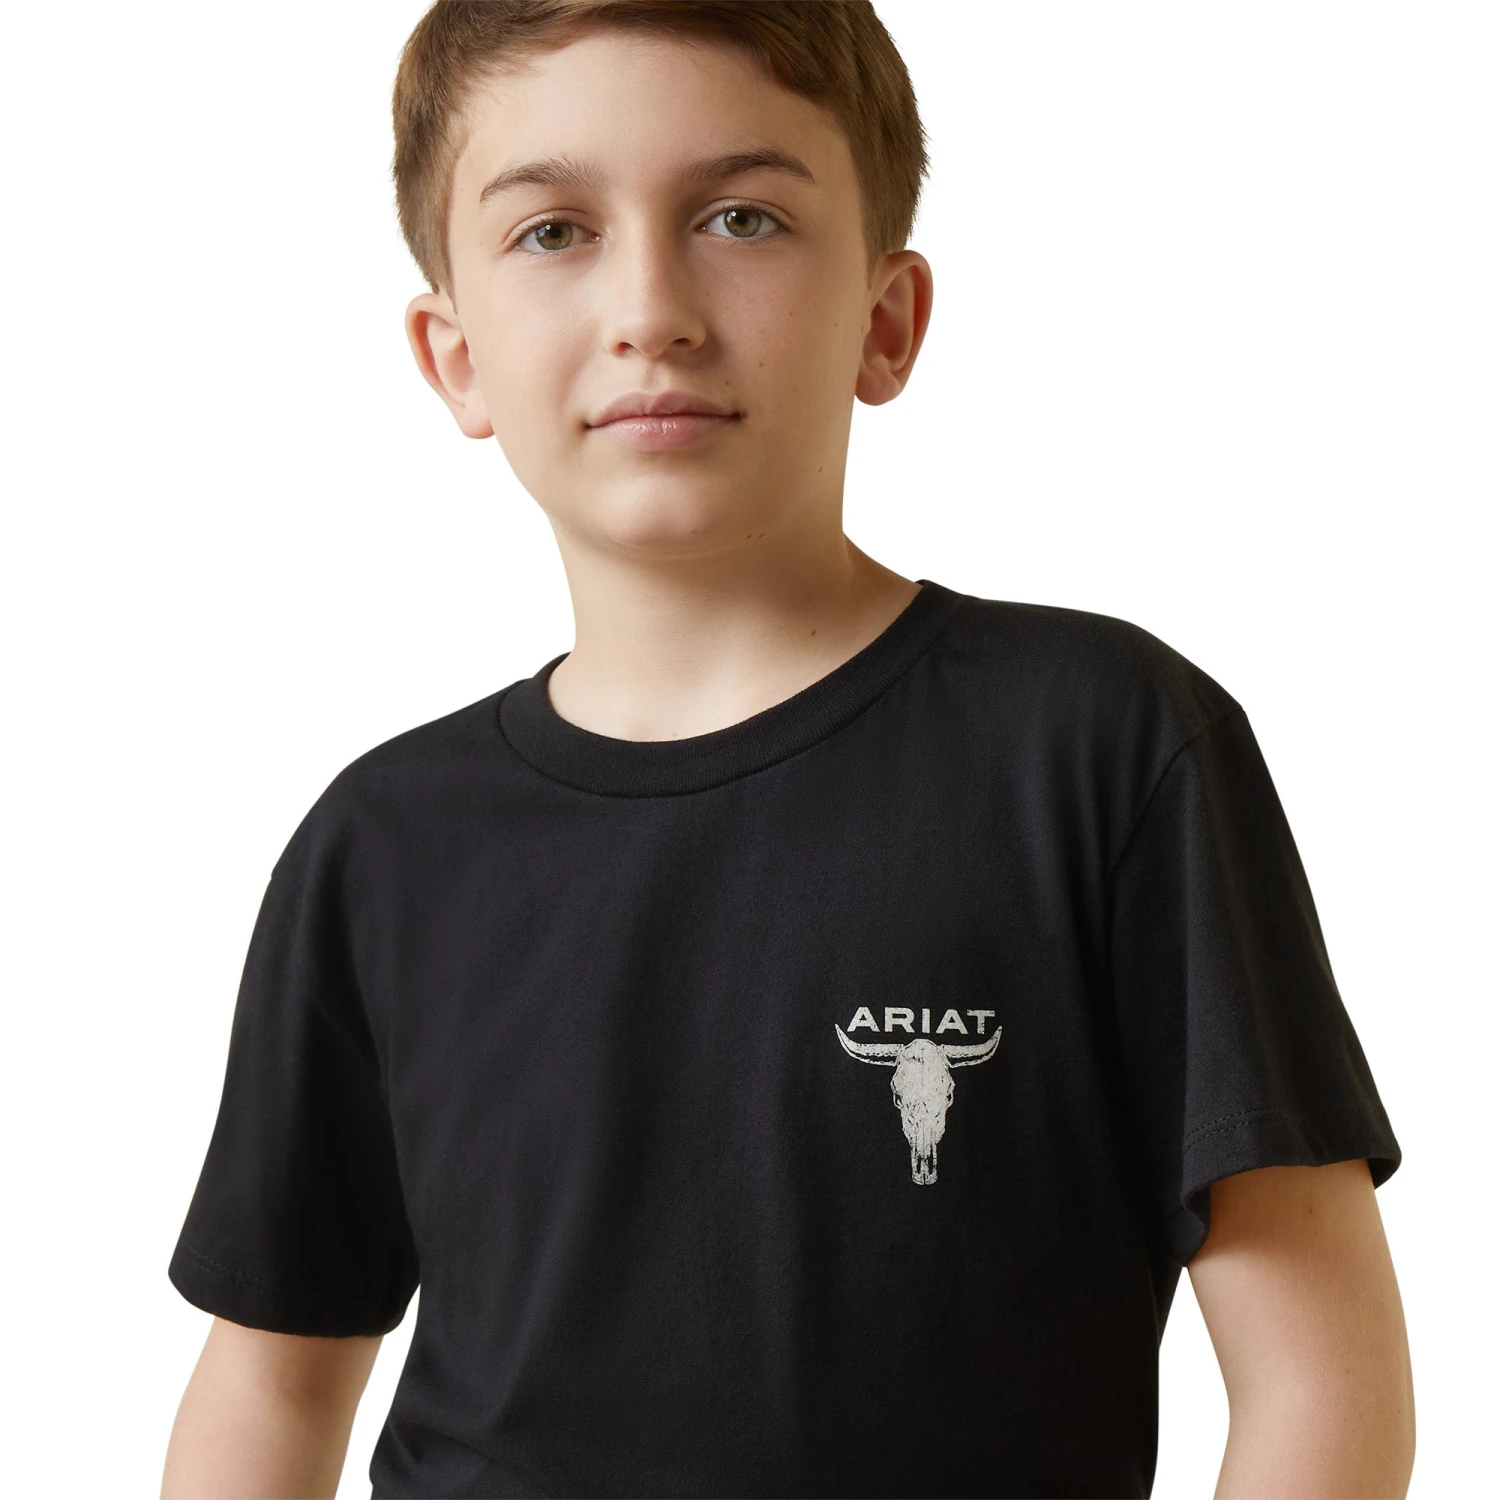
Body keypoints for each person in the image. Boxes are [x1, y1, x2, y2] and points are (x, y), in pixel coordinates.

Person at [160, 3, 1415, 1497]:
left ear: (887, 319)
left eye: (741, 217)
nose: (652, 310)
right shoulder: (381, 845)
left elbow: (1316, 1382)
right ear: (455, 358)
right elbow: (271, 1385)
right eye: (555, 232)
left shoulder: (1103, 751)